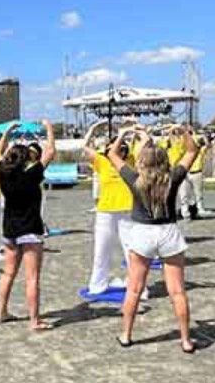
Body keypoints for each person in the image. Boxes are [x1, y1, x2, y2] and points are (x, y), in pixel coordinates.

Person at [107, 125, 198, 353]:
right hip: (168, 232)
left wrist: (123, 133)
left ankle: (126, 335)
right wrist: (182, 131)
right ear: (164, 161)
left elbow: (112, 155)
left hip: (142, 233)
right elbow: (191, 151)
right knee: (177, 291)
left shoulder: (134, 178)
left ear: (142, 161)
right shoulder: (173, 177)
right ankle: (185, 340)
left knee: (134, 289)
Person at [0, 121, 56, 330]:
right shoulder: (31, 175)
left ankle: (1, 312)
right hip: (30, 229)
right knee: (32, 278)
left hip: (10, 229)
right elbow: (50, 151)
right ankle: (34, 320)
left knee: (8, 273)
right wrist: (48, 128)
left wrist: (8, 131)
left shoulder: (2, 171)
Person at [83, 121, 136, 295]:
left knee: (132, 251)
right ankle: (98, 285)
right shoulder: (102, 161)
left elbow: (145, 145)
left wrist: (132, 130)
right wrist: (94, 127)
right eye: (115, 147)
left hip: (127, 211)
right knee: (101, 250)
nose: (119, 150)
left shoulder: (132, 160)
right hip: (105, 211)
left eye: (122, 147)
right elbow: (85, 146)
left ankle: (137, 286)